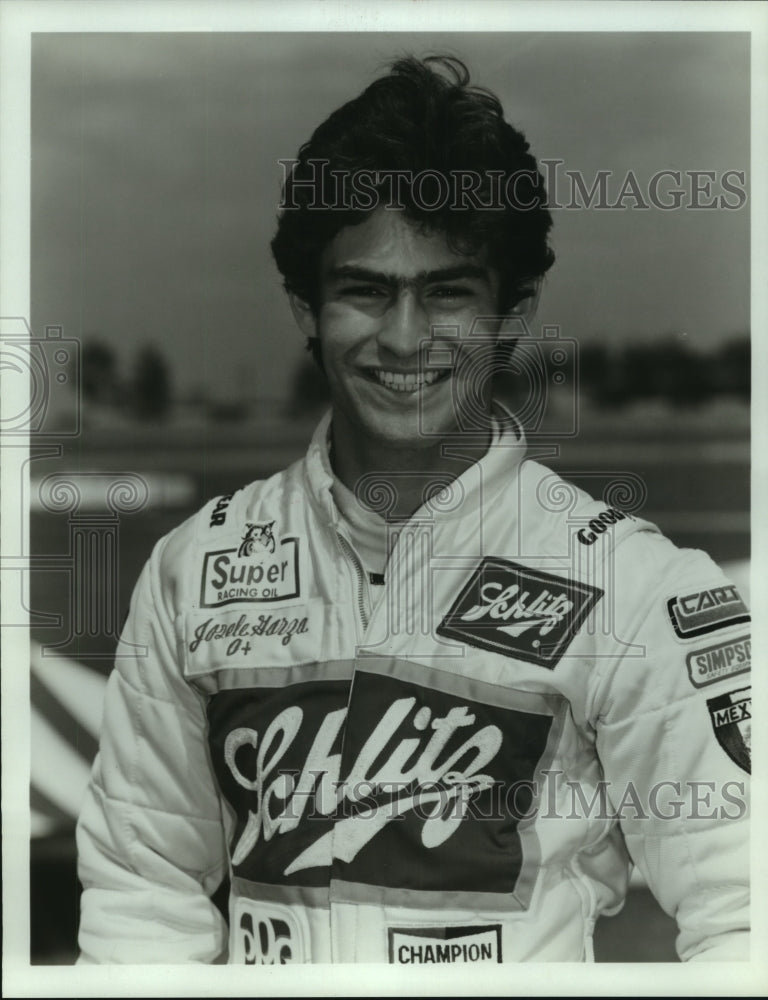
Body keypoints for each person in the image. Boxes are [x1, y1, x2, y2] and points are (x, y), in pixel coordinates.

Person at [76, 55, 750, 964]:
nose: (403, 338)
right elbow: (141, 900)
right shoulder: (192, 571)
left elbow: (744, 913)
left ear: (513, 311)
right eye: (364, 289)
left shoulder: (632, 584)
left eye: (447, 292)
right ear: (304, 308)